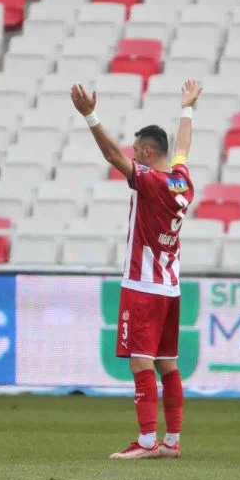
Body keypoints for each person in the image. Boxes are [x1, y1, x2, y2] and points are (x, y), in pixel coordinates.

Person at [70, 79, 202, 460]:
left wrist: (90, 116)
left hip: (144, 286)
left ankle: (146, 442)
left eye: (136, 151)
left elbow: (113, 156)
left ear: (146, 152)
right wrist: (187, 108)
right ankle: (171, 441)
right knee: (168, 364)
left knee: (141, 362)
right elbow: (183, 146)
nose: (132, 155)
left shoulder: (152, 182)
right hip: (170, 287)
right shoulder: (181, 181)